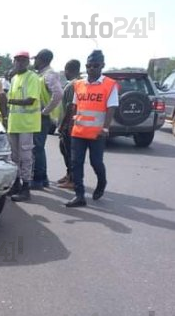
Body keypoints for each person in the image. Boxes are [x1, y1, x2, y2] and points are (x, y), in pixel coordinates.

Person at [66, 50, 118, 207]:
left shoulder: (109, 85)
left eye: (95, 65)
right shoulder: (79, 84)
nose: (91, 69)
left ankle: (102, 182)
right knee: (76, 163)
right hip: (79, 131)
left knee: (96, 162)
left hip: (97, 133)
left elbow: (111, 108)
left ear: (102, 65)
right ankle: (79, 195)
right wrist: (70, 124)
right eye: (88, 65)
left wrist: (106, 128)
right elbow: (75, 105)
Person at [6, 51, 42, 202]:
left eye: (22, 60)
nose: (19, 63)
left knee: (26, 157)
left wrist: (10, 101)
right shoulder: (14, 78)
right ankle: (15, 184)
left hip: (27, 124)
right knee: (13, 157)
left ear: (28, 62)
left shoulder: (33, 77)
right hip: (14, 123)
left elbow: (30, 100)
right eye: (17, 60)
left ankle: (25, 187)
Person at [31, 49, 64, 189]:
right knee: (38, 148)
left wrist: (45, 111)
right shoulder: (42, 75)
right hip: (40, 117)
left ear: (42, 60)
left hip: (43, 117)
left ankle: (38, 179)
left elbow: (58, 94)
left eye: (36, 59)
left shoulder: (49, 74)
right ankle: (42, 178)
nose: (34, 62)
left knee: (37, 148)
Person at [56, 59, 82, 189]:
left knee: (69, 153)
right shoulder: (76, 84)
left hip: (69, 125)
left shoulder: (73, 85)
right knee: (64, 150)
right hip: (70, 124)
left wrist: (63, 126)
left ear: (69, 70)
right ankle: (69, 175)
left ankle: (72, 179)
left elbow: (70, 107)